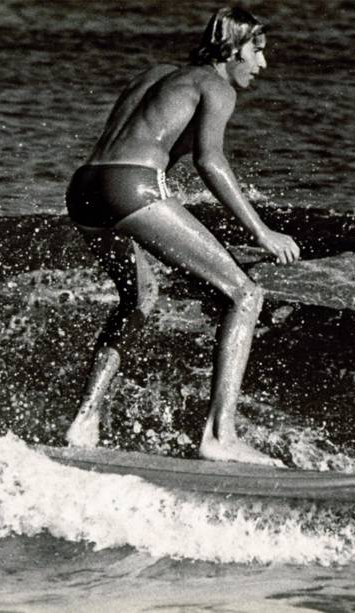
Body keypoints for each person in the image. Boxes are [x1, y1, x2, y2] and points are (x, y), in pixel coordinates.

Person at [64, 7, 300, 466]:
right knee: (245, 295)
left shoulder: (155, 75)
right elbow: (209, 162)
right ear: (232, 49)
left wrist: (210, 250)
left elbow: (142, 149)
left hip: (85, 187)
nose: (262, 65)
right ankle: (219, 435)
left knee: (140, 297)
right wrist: (263, 231)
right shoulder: (216, 86)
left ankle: (84, 421)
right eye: (258, 51)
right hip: (131, 187)